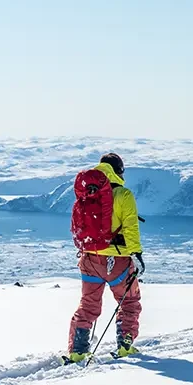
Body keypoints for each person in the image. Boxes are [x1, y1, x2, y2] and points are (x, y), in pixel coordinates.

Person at [67, 153, 144, 362]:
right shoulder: (123, 195)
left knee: (88, 304)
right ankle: (125, 346)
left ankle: (77, 350)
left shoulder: (88, 192)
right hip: (116, 260)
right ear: (119, 171)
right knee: (129, 301)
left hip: (89, 258)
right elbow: (130, 227)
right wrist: (136, 253)